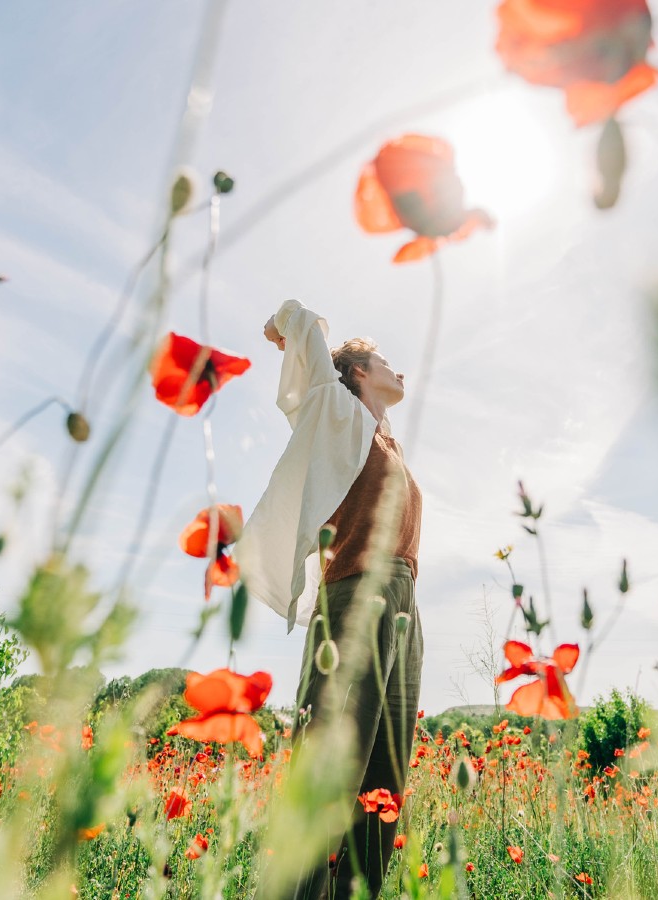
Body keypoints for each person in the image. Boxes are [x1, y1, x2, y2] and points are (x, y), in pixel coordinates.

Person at [235, 299, 424, 899]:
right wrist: (284, 324)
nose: (402, 371)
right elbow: (301, 323)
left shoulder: (384, 441)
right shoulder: (336, 413)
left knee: (383, 777)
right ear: (360, 372)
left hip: (402, 602)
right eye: (386, 362)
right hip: (353, 598)